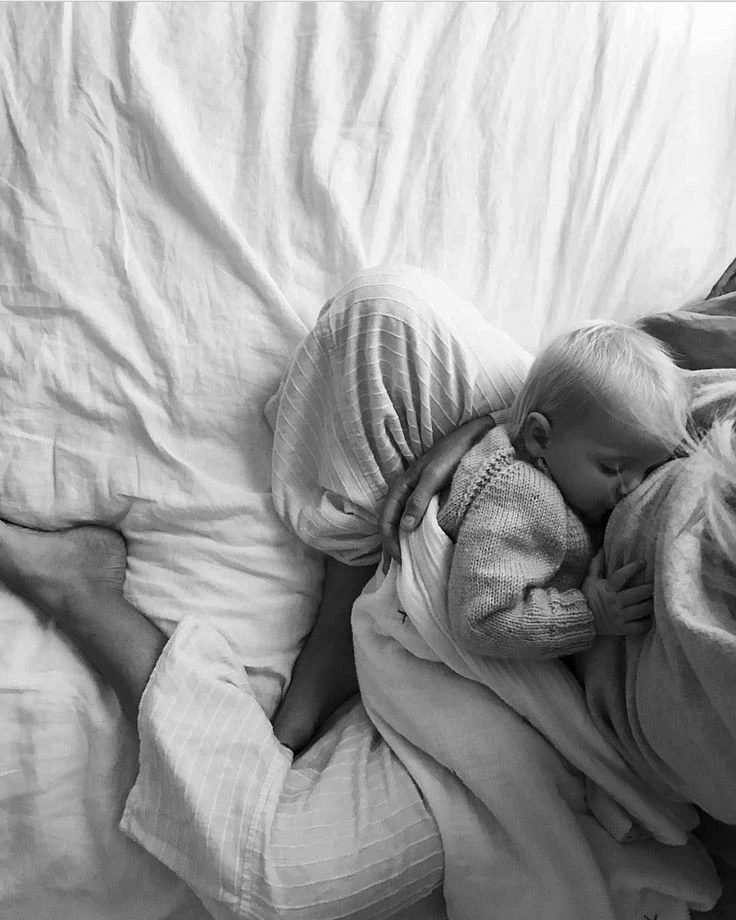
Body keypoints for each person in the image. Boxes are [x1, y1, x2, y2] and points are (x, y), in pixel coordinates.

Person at [0, 266, 734, 920]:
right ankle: (350, 603)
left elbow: (488, 622)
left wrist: (585, 591)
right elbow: (657, 363)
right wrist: (507, 430)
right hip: (566, 480)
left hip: (561, 713)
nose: (628, 485)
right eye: (617, 470)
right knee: (381, 317)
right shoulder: (554, 471)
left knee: (275, 884)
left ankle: (83, 590)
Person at [435, 321, 689, 659]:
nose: (634, 487)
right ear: (539, 437)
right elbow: (480, 621)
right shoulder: (521, 494)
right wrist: (589, 614)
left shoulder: (563, 457)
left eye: (649, 468)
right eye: (611, 468)